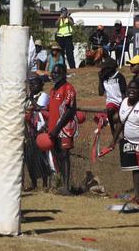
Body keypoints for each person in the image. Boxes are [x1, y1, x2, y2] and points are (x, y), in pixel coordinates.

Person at [47, 64, 77, 195]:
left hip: (64, 128)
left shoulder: (68, 88)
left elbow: (70, 110)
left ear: (64, 73)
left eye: (57, 72)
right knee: (57, 155)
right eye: (53, 72)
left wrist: (58, 127)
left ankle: (66, 186)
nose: (54, 75)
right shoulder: (52, 90)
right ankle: (60, 183)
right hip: (53, 129)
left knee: (64, 155)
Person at [24, 77, 50, 190]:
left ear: (40, 85)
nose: (32, 86)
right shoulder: (28, 98)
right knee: (30, 157)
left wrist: (31, 100)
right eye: (31, 84)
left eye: (34, 84)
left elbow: (39, 108)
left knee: (42, 157)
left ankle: (45, 184)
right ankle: (33, 184)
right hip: (29, 130)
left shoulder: (43, 96)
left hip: (40, 129)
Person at [98, 58, 126, 138]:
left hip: (121, 101)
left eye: (104, 68)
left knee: (121, 119)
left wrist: (123, 105)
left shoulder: (119, 77)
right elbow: (100, 93)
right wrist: (100, 79)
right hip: (111, 102)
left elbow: (124, 92)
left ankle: (123, 134)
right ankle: (112, 129)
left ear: (111, 69)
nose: (102, 70)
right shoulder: (104, 78)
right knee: (110, 111)